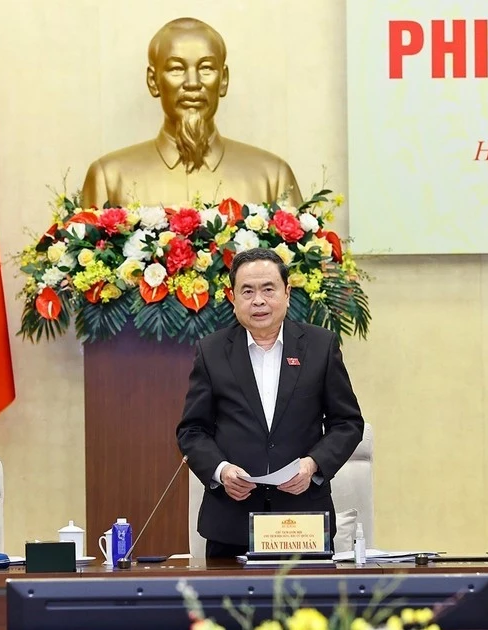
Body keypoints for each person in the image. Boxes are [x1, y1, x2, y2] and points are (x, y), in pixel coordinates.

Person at [176, 248, 364, 558]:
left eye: (268, 289)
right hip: (231, 521)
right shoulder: (211, 351)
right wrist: (221, 471)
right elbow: (192, 430)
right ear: (232, 298)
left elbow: (347, 423)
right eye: (247, 291)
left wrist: (312, 465)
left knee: (304, 606)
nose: (258, 301)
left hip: (301, 520)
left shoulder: (320, 346)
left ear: (287, 293)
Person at [81, 17, 303, 210]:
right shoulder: (109, 178)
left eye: (206, 68)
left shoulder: (272, 178)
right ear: (153, 81)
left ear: (223, 79)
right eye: (176, 68)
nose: (193, 83)